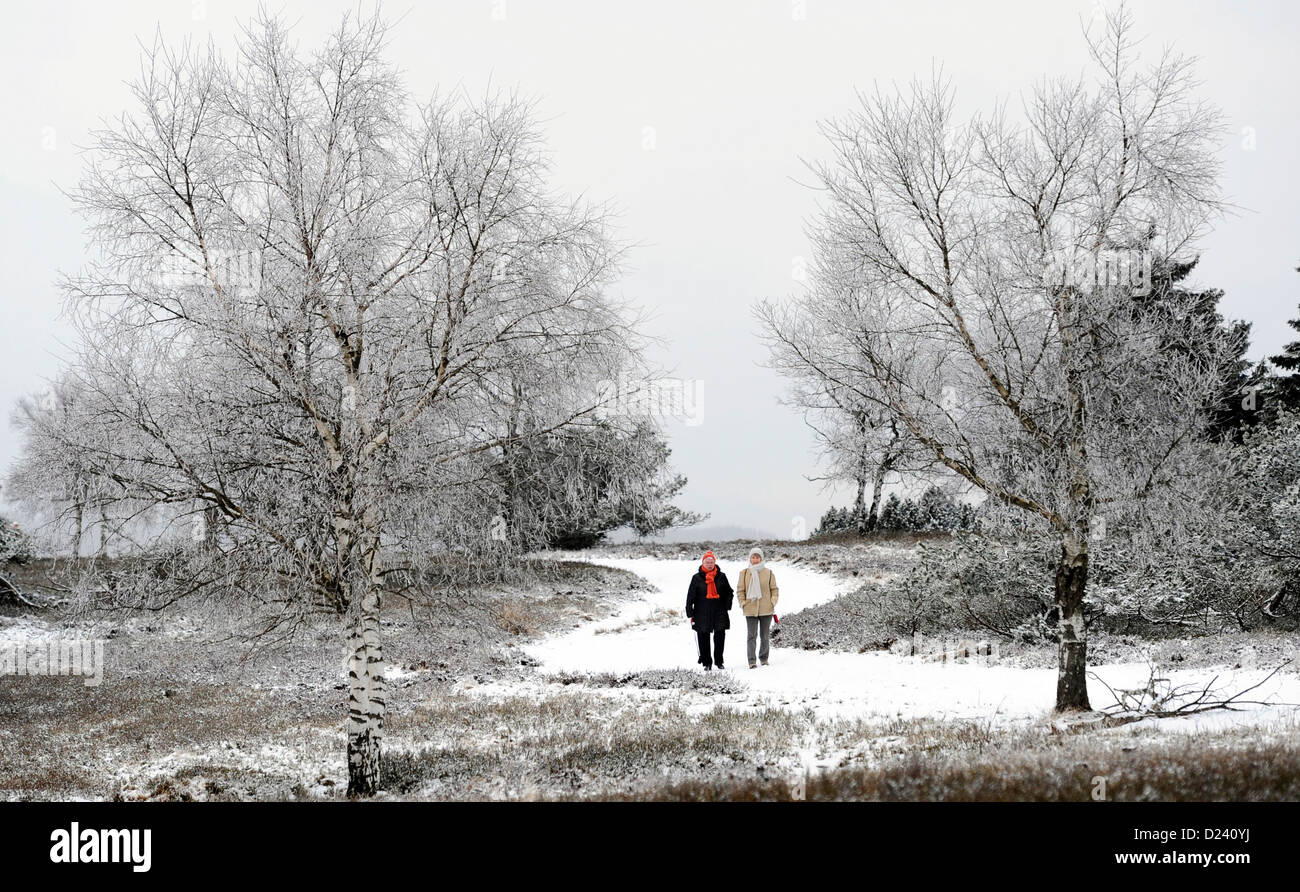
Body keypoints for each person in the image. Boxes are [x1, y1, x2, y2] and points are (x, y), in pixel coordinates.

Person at [686, 550, 733, 671]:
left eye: (711, 562)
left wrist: (727, 605)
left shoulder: (721, 576)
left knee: (720, 637)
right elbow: (690, 596)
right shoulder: (696, 578)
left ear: (715, 563)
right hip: (702, 612)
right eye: (707, 562)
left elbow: (729, 592)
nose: (710, 564)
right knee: (703, 637)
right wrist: (689, 611)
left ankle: (719, 661)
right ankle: (707, 662)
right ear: (703, 563)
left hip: (719, 611)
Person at [736, 546, 779, 668]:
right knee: (751, 636)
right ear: (750, 558)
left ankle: (764, 658)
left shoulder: (768, 573)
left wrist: (773, 601)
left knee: (764, 635)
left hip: (766, 609)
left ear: (761, 558)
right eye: (753, 557)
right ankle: (751, 661)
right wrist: (742, 602)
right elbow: (740, 590)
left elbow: (774, 589)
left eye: (757, 557)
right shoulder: (744, 573)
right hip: (750, 608)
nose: (755, 559)